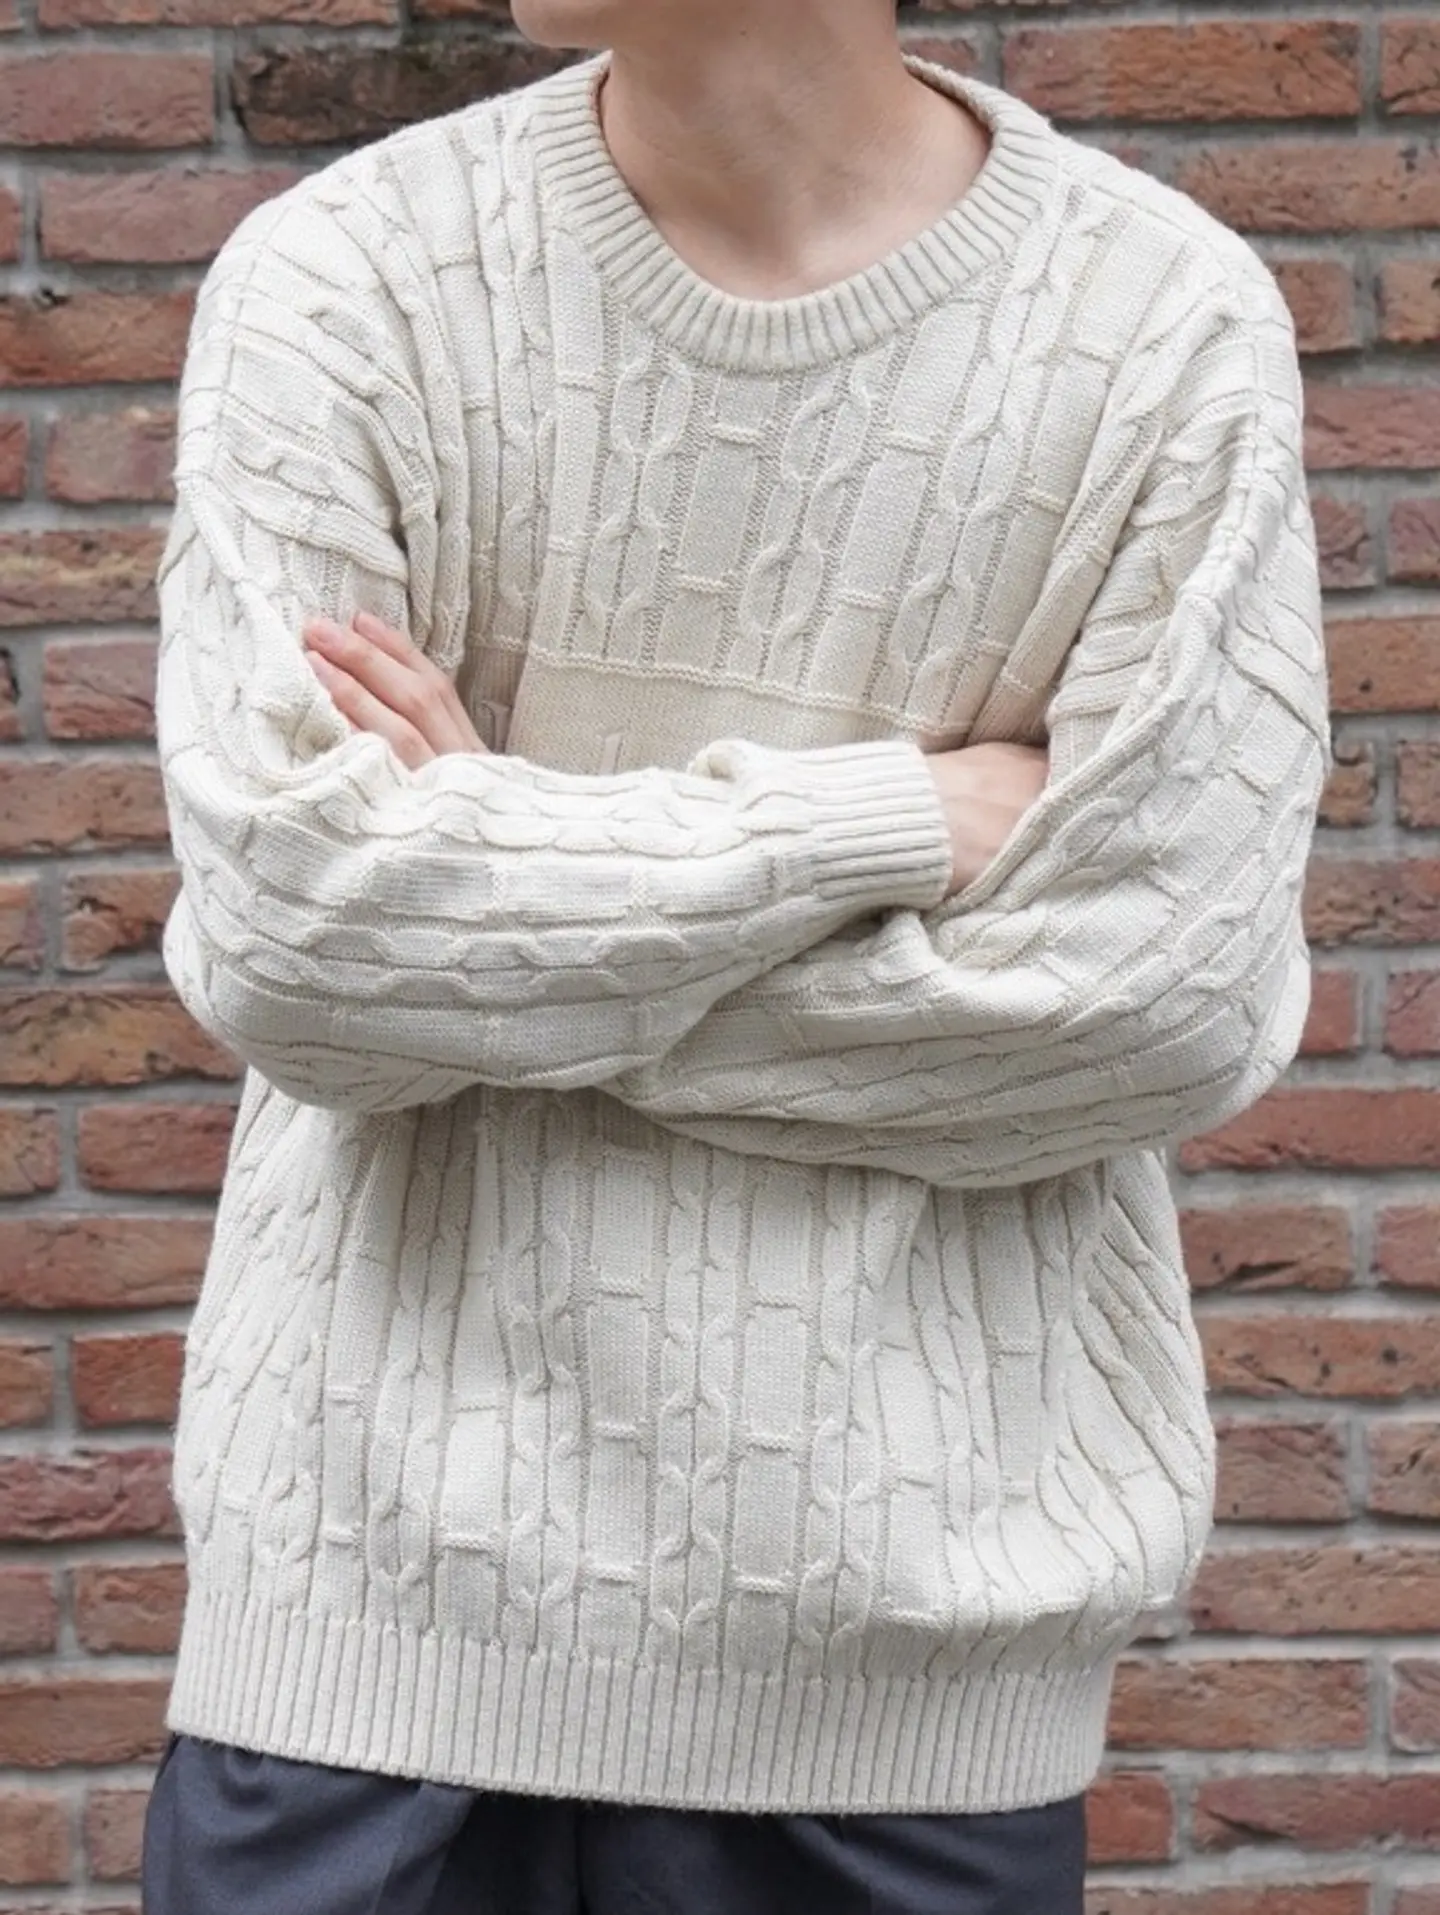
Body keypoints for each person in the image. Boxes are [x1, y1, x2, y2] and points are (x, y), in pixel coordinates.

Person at [140, 0, 1333, 1909]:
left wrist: (498, 905)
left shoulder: (1156, 323)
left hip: (900, 1706)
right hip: (365, 1650)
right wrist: (874, 822)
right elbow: (296, 947)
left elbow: (1159, 1001)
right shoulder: (347, 280)